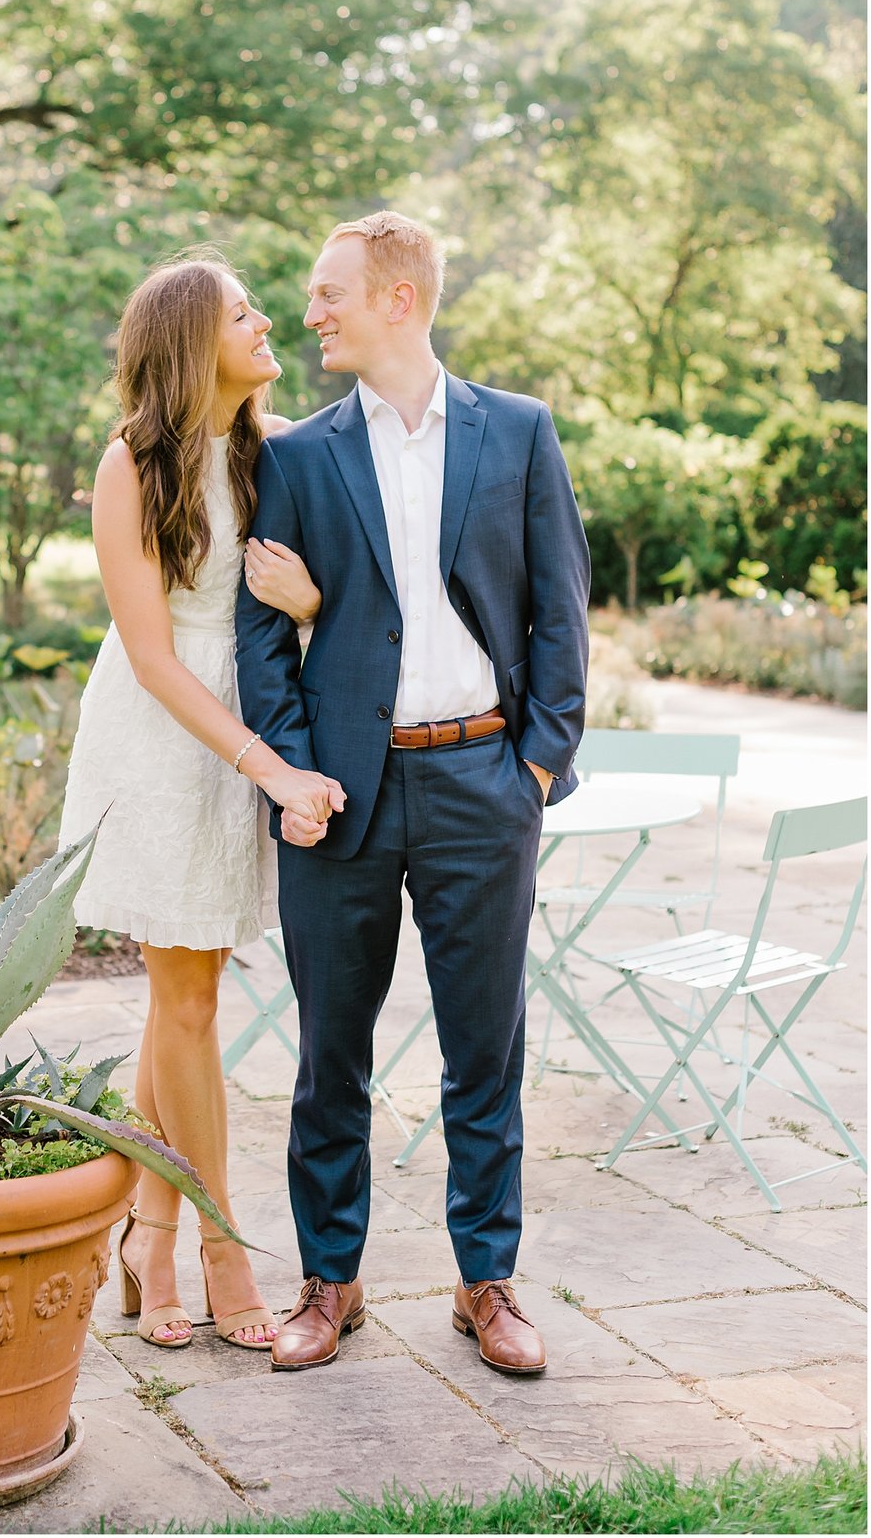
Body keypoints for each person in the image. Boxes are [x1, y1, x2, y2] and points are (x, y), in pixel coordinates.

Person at [236, 210, 589, 1378]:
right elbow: (258, 639)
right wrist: (290, 772)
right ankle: (326, 1282)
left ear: (398, 298)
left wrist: (533, 767)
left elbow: (558, 614)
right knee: (329, 1050)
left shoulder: (520, 433)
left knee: (483, 1051)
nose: (311, 311)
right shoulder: (291, 457)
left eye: (329, 291)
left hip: (482, 780)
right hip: (340, 795)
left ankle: (485, 1280)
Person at [60, 255, 343, 1352]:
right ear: (190, 342)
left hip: (248, 722)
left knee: (179, 991)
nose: (268, 320)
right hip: (168, 739)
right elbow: (148, 654)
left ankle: (147, 1232)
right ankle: (220, 1244)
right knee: (185, 1000)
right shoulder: (132, 463)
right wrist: (265, 768)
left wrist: (311, 603)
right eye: (241, 312)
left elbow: (309, 600)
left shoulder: (269, 452)